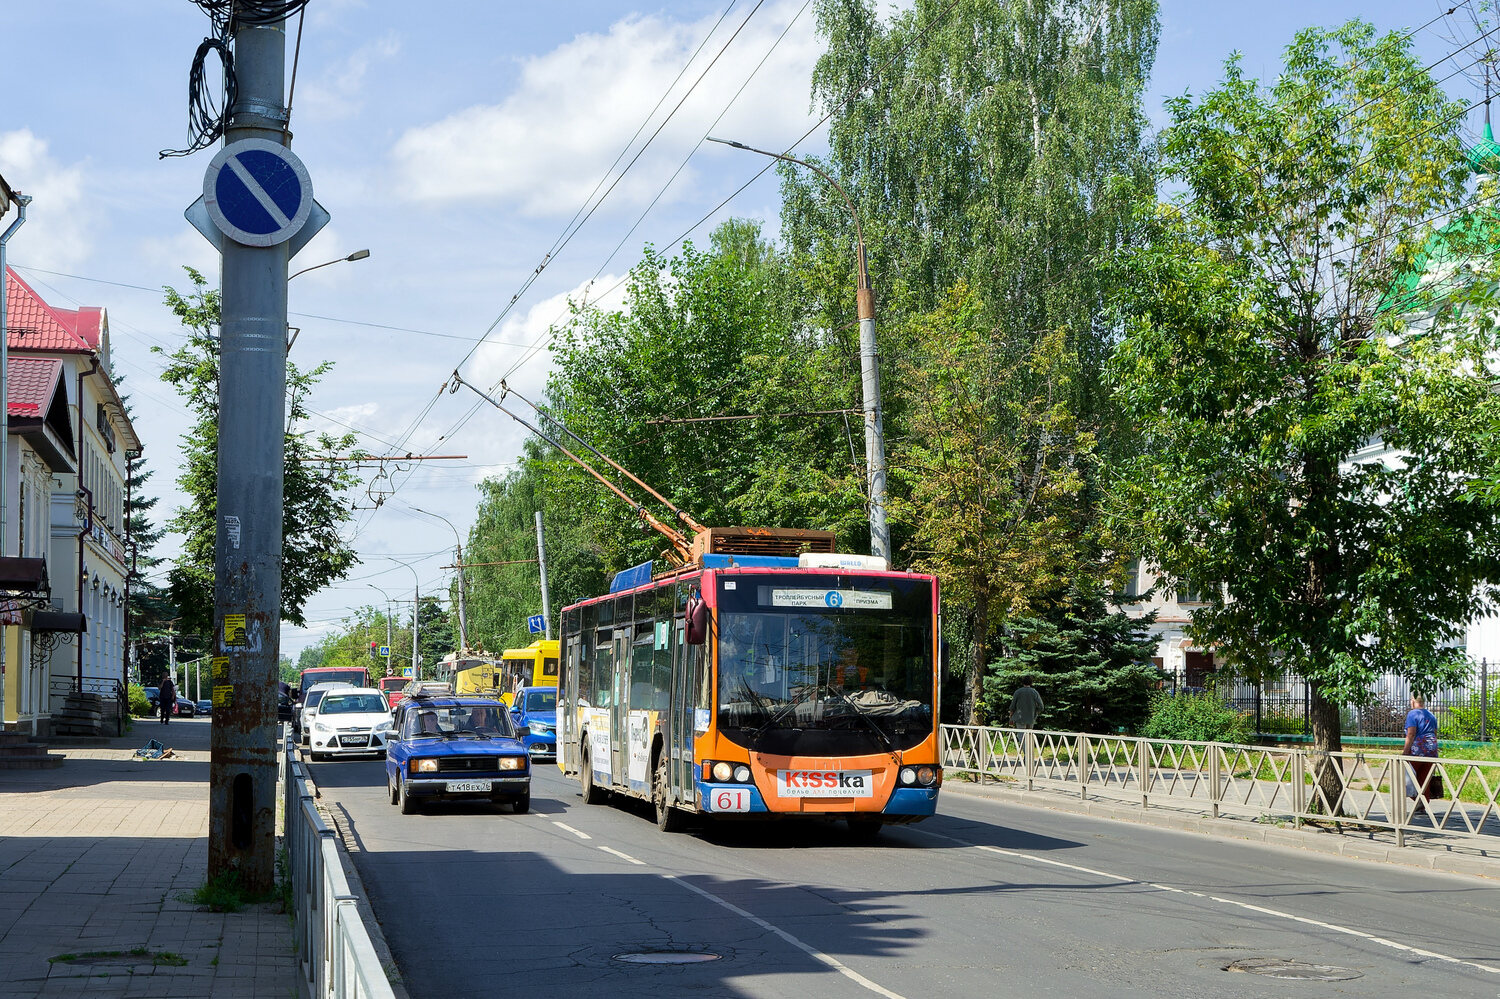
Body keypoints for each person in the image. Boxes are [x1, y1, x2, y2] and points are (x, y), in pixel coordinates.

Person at [1403, 693, 1440, 814]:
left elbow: (1411, 734)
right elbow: (1434, 733)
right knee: (1424, 778)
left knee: (1409, 777)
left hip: (1417, 750)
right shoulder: (1431, 715)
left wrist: (1405, 751)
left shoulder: (1412, 714)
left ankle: (1419, 800)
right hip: (1431, 749)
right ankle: (1423, 804)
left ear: (1413, 701)